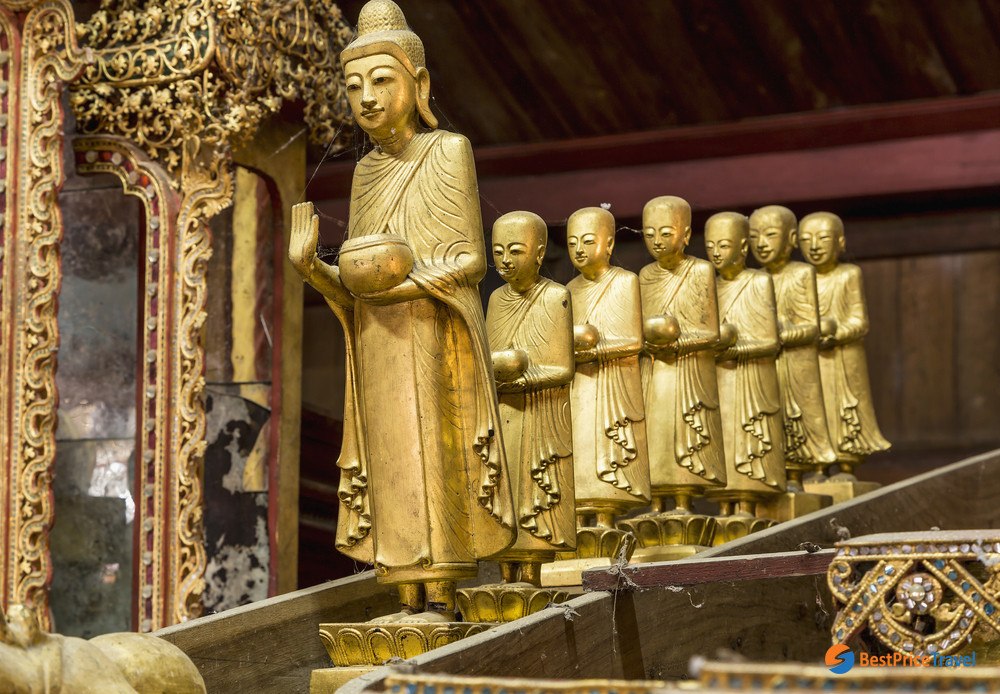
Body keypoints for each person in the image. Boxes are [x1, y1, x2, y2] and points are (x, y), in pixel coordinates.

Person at [288, 0, 514, 622]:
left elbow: (469, 257)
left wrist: (404, 284)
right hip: (379, 341)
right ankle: (402, 588)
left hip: (432, 332)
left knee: (433, 455)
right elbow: (356, 283)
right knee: (389, 460)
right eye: (354, 85)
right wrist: (312, 266)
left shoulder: (447, 151)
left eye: (381, 79)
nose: (365, 97)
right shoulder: (363, 173)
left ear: (421, 85)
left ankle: (441, 591)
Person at [486, 211, 576, 586]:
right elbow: (487, 361)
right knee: (502, 493)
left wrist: (523, 378)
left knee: (532, 493)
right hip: (503, 412)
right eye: (498, 251)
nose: (506, 260)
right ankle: (505, 573)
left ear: (539, 254)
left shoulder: (556, 297)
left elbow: (562, 369)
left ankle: (531, 575)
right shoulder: (494, 299)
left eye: (516, 251)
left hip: (540, 412)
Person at [637, 196, 727, 514]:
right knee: (654, 433)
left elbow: (711, 332)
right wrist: (649, 345)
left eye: (665, 233)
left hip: (689, 368)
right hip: (655, 367)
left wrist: (678, 344)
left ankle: (684, 501)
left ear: (686, 235)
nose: (657, 241)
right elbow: (639, 328)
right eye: (649, 234)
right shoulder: (644, 276)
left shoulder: (701, 271)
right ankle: (656, 501)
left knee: (684, 432)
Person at [565, 207, 651, 527]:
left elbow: (632, 340)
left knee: (606, 446)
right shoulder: (569, 290)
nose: (580, 250)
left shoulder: (625, 281)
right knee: (579, 446)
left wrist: (594, 350)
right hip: (579, 384)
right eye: (572, 243)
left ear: (610, 245)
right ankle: (578, 519)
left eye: (588, 241)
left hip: (612, 380)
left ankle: (605, 519)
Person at [749, 205, 837, 488]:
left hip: (796, 361)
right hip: (764, 363)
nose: (761, 244)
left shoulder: (801, 274)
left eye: (771, 235)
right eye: (754, 236)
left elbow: (811, 327)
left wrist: (779, 334)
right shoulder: (752, 279)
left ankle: (806, 471)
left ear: (790, 239)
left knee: (798, 416)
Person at [705, 212, 786, 515]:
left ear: (743, 248)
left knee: (746, 438)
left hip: (751, 377)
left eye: (724, 245)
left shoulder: (758, 281)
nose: (715, 252)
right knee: (720, 439)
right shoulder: (708, 284)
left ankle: (747, 505)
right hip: (717, 378)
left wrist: (734, 348)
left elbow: (770, 341)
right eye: (710, 245)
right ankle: (724, 506)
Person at [798, 212, 890, 474]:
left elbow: (859, 321)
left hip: (843, 356)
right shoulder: (801, 278)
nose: (814, 246)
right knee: (813, 410)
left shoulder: (849, 274)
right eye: (807, 239)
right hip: (810, 358)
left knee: (844, 409)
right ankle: (818, 466)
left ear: (840, 242)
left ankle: (847, 465)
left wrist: (835, 335)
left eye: (823, 238)